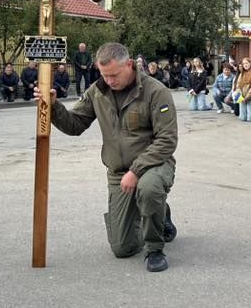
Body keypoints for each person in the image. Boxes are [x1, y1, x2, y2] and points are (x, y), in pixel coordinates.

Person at [40, 42, 178, 273]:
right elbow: (75, 125)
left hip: (153, 165)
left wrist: (136, 171)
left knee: (150, 189)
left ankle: (155, 248)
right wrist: (54, 106)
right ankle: (158, 211)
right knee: (121, 248)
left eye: (114, 75)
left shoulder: (156, 91)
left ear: (129, 64)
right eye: (105, 75)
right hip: (118, 172)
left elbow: (167, 140)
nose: (110, 81)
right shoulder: (97, 91)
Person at [233, 58, 251, 122]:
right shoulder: (241, 74)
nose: (245, 65)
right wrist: (240, 97)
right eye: (243, 64)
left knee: (250, 118)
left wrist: (246, 98)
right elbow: (238, 87)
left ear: (250, 63)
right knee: (242, 118)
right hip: (242, 98)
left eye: (246, 63)